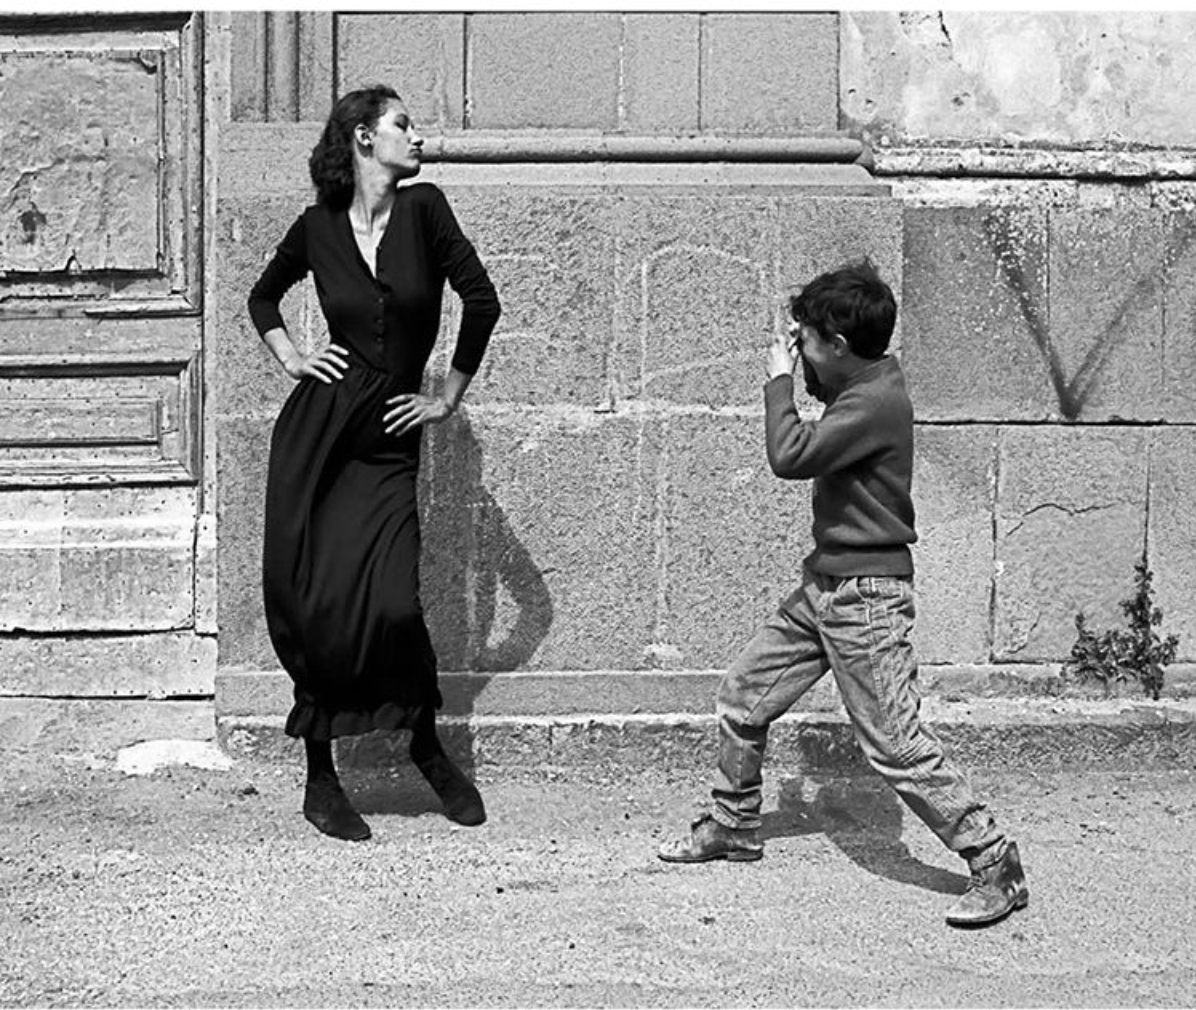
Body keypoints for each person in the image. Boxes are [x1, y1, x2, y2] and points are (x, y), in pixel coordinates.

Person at [656, 260, 1029, 927]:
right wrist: (801, 365)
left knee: (895, 743)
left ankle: (994, 860)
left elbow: (790, 456)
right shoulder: (860, 383)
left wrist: (777, 381)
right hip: (825, 586)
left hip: (867, 598)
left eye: (807, 340)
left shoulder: (875, 401)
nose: (799, 350)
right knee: (744, 694)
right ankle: (734, 825)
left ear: (838, 345)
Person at [246, 85, 501, 842]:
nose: (419, 137)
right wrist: (293, 357)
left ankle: (423, 742)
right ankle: (319, 778)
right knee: (316, 604)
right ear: (363, 138)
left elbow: (481, 302)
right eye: (403, 125)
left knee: (392, 603)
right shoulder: (318, 226)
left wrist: (446, 397)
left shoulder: (426, 211)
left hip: (387, 439)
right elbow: (263, 298)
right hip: (317, 439)